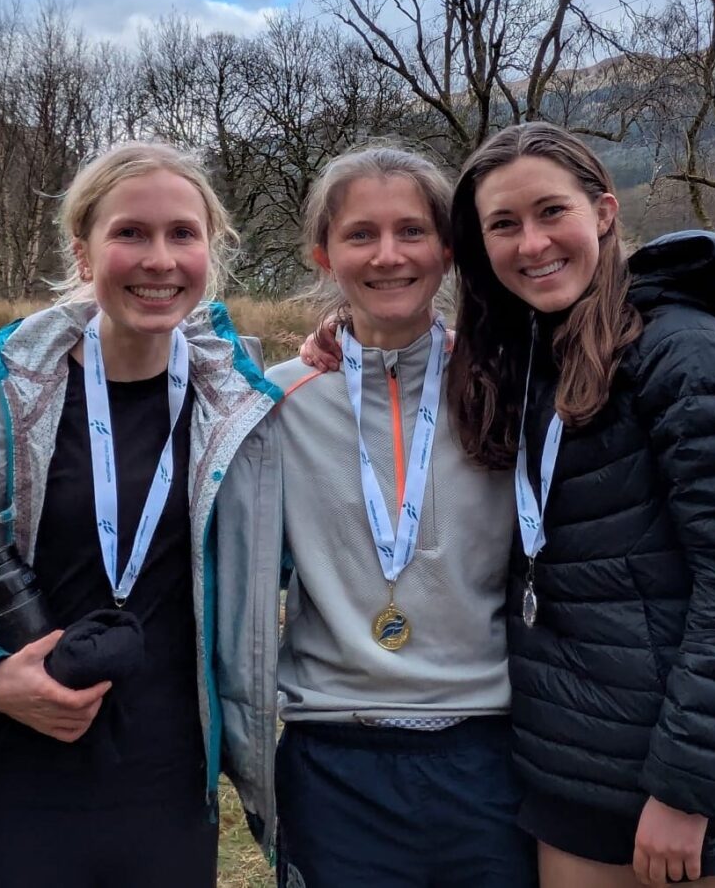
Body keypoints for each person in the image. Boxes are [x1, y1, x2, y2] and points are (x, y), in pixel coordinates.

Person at [0, 141, 282, 886]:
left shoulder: (240, 410)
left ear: (211, 249)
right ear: (83, 252)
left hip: (173, 786)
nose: (159, 260)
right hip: (25, 778)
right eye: (130, 233)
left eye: (182, 233)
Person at [444, 121, 715, 887]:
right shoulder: (525, 360)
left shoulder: (685, 351)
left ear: (605, 213)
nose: (532, 242)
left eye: (552, 211)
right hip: (575, 782)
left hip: (703, 798)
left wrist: (684, 790)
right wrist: (343, 334)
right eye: (504, 224)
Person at [262, 145, 537, 888]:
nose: (389, 255)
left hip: (488, 754)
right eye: (361, 234)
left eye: (412, 231)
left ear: (448, 250)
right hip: (333, 758)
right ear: (324, 253)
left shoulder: (508, 385)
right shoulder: (273, 402)